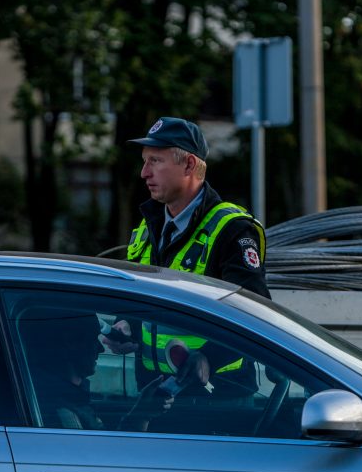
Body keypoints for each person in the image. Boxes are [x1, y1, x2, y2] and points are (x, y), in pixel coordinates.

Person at [104, 116, 271, 400]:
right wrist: (126, 325)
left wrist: (209, 358)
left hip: (218, 400)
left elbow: (255, 314)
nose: (144, 173)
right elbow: (147, 302)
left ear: (189, 165)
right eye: (145, 161)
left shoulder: (231, 228)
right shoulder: (149, 227)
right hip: (155, 395)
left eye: (155, 161)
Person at [21, 307, 172, 431]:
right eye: (93, 339)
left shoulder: (64, 397)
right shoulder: (65, 414)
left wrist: (142, 412)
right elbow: (113, 458)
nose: (100, 348)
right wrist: (142, 414)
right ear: (70, 344)